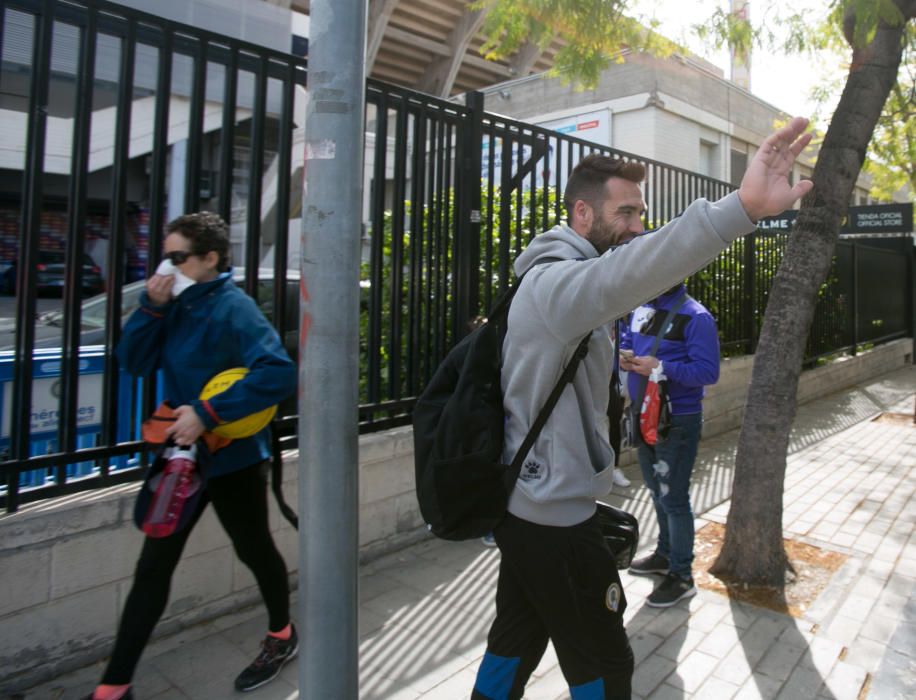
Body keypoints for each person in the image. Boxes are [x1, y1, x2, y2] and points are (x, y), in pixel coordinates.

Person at [470, 118, 813, 700]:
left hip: (528, 507)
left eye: (640, 213)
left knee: (515, 637)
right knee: (607, 666)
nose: (637, 225)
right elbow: (635, 270)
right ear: (582, 214)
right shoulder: (560, 285)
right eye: (624, 213)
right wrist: (743, 207)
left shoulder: (554, 277)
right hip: (553, 515)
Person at [85, 213, 298, 700]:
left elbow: (278, 372)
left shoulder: (234, 307)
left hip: (234, 460)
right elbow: (134, 362)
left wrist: (207, 411)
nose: (169, 265)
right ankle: (114, 687)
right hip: (181, 459)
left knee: (254, 549)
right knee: (154, 566)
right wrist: (151, 310)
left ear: (210, 259)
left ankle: (282, 634)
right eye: (167, 255)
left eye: (179, 257)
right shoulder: (172, 303)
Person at [620, 283, 720, 608]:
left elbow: (708, 372)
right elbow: (626, 342)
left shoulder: (696, 316)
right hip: (643, 415)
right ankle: (665, 555)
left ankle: (682, 576)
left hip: (676, 421)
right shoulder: (641, 307)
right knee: (656, 491)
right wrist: (622, 359)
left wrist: (660, 367)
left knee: (674, 499)